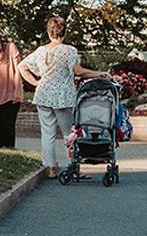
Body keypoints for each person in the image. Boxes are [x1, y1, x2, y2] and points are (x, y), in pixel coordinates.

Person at [17, 16, 111, 179]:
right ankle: (73, 166)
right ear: (64, 33)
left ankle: (51, 167)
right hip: (62, 96)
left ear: (48, 32)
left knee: (47, 133)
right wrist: (101, 74)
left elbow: (21, 66)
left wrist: (35, 82)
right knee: (70, 133)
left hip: (44, 94)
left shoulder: (40, 51)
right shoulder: (69, 50)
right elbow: (79, 71)